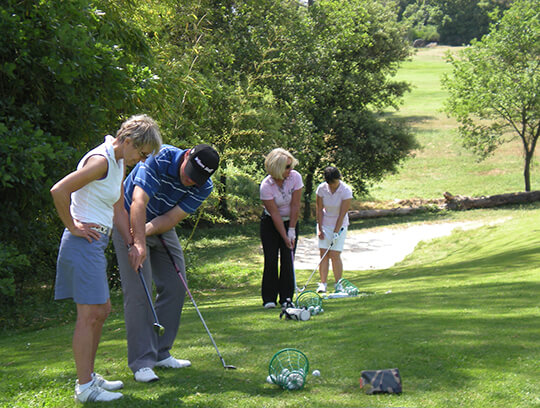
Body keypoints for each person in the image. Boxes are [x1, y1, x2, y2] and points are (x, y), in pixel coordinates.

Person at [50, 114, 162, 402]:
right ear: (127, 141)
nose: (143, 159)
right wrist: (72, 226)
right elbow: (59, 190)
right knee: (90, 315)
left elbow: (119, 210)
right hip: (83, 243)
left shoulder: (118, 162)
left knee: (101, 311)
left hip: (96, 243)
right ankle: (85, 388)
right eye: (142, 152)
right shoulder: (101, 161)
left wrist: (133, 243)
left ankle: (89, 377)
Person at [112, 143, 220, 383]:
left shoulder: (204, 186)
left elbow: (171, 217)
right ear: (187, 155)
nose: (190, 181)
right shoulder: (160, 157)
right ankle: (142, 363)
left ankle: (161, 352)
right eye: (189, 173)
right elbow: (138, 201)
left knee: (175, 283)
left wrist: (147, 231)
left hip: (160, 225)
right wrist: (137, 240)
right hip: (128, 219)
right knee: (139, 290)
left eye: (197, 179)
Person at [259, 148, 303, 309]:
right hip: (271, 223)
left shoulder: (295, 177)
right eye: (287, 167)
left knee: (288, 258)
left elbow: (296, 205)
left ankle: (286, 298)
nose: (290, 170)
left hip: (291, 220)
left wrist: (291, 230)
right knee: (271, 259)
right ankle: (269, 298)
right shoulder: (266, 186)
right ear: (277, 168)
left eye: (291, 165)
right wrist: (284, 236)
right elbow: (275, 213)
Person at [315, 166, 353, 293]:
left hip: (340, 225)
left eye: (335, 182)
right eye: (330, 183)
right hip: (325, 223)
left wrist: (336, 232)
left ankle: (338, 284)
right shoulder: (321, 189)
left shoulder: (346, 190)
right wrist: (320, 228)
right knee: (324, 254)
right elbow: (319, 209)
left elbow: (342, 214)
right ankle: (323, 284)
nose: (333, 186)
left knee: (335, 254)